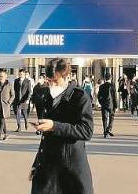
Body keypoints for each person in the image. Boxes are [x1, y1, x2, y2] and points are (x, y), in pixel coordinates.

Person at [30, 58, 93, 194]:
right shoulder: (46, 96)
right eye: (49, 81)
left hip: (70, 165)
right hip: (48, 165)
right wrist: (36, 164)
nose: (52, 84)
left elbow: (86, 131)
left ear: (67, 76)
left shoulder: (79, 97)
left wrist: (54, 126)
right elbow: (45, 139)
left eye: (55, 81)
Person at [0, 70, 14, 142]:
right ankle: (6, 134)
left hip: (5, 105)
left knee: (2, 121)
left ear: (6, 77)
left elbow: (13, 95)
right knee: (2, 120)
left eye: (2, 76)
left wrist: (9, 102)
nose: (0, 77)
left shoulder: (9, 85)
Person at [97, 73, 118, 138]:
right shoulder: (112, 86)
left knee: (104, 118)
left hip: (103, 104)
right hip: (110, 104)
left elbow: (99, 96)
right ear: (111, 78)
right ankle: (108, 129)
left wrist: (101, 102)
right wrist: (116, 105)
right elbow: (114, 96)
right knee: (111, 117)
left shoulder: (101, 86)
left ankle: (105, 132)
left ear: (105, 78)